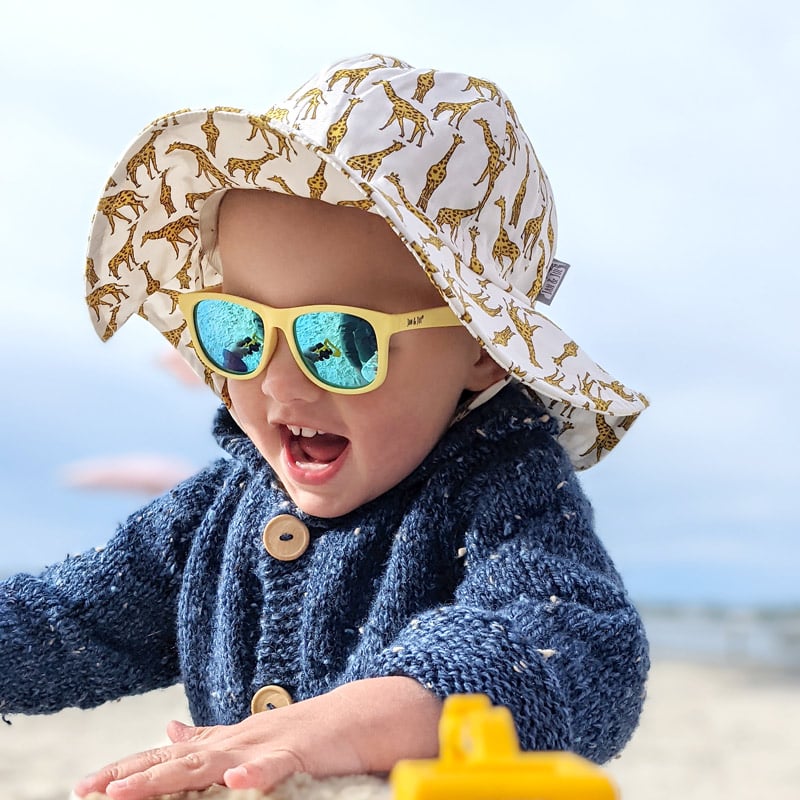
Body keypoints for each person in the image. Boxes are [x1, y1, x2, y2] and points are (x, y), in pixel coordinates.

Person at [0, 54, 650, 800]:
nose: (278, 384)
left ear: (482, 349)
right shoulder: (218, 513)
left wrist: (355, 721)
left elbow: (579, 644)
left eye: (339, 341)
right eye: (239, 330)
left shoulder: (500, 489)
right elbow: (68, 622)